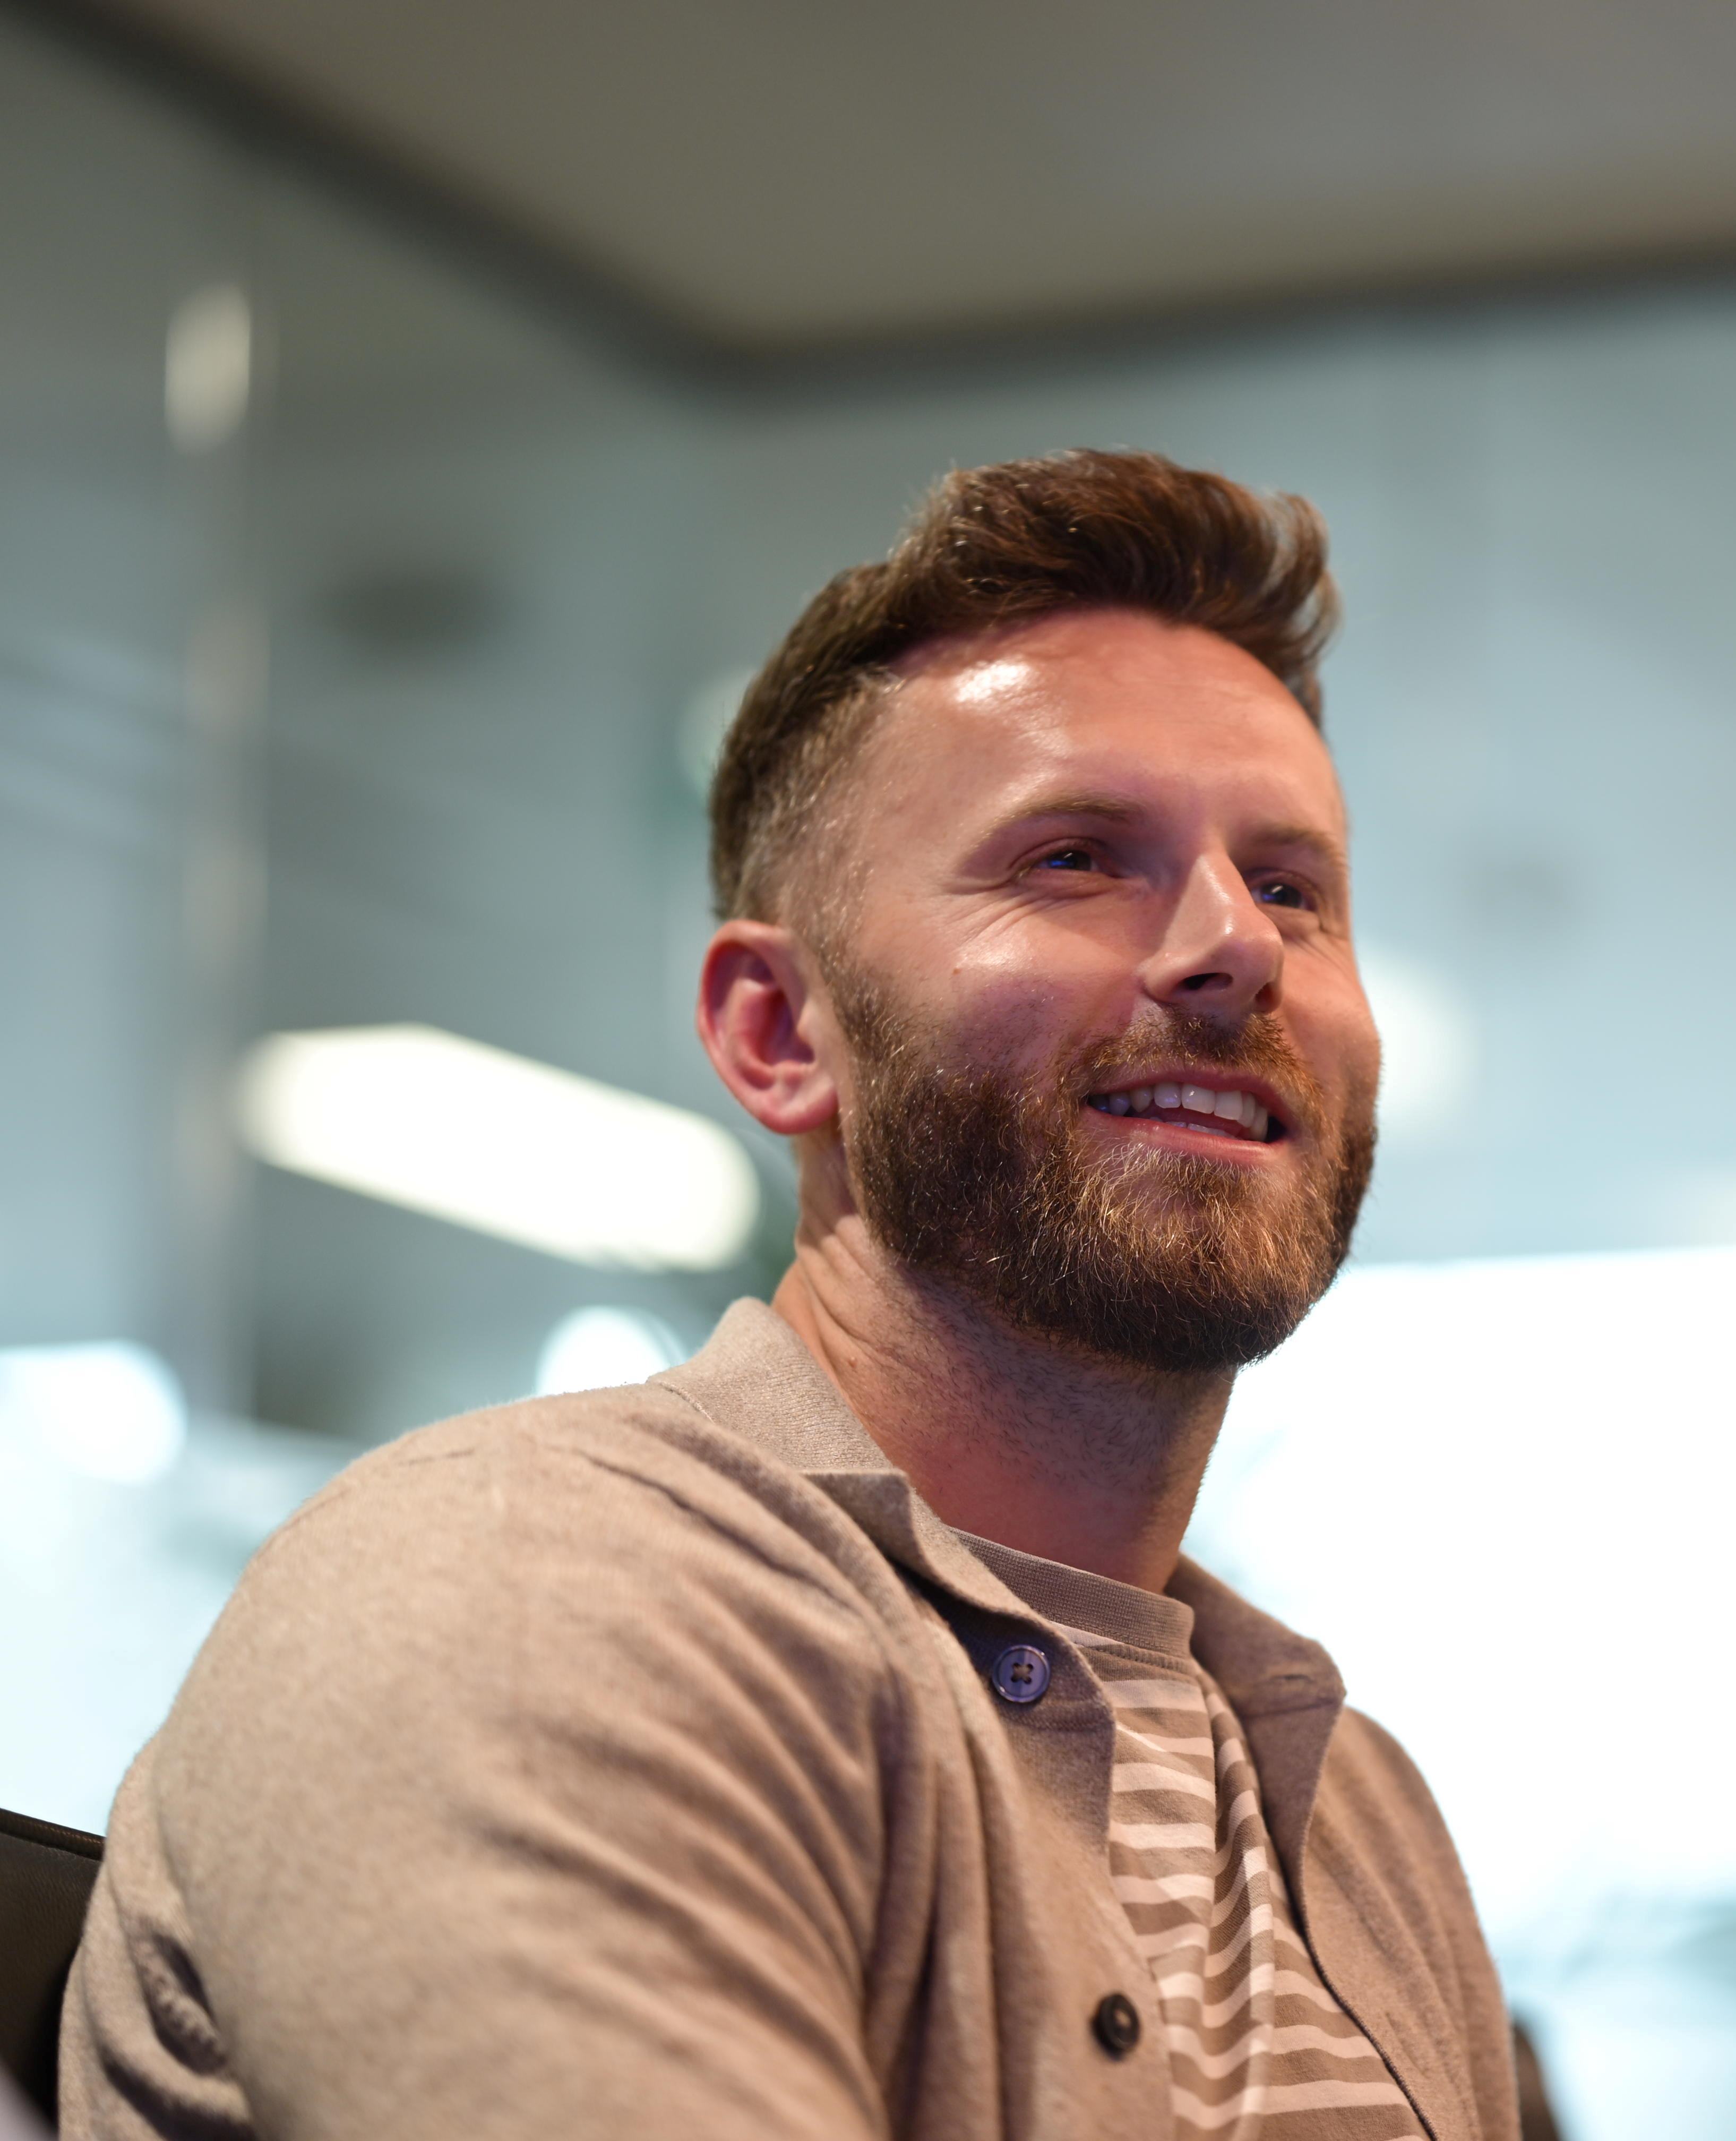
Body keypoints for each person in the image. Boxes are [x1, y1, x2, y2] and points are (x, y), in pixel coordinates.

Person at [65, 452, 1518, 2141]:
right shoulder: (532, 1589)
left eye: (1291, 888)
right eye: (1073, 857)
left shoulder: (1353, 1815)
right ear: (776, 1033)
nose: (1237, 946)